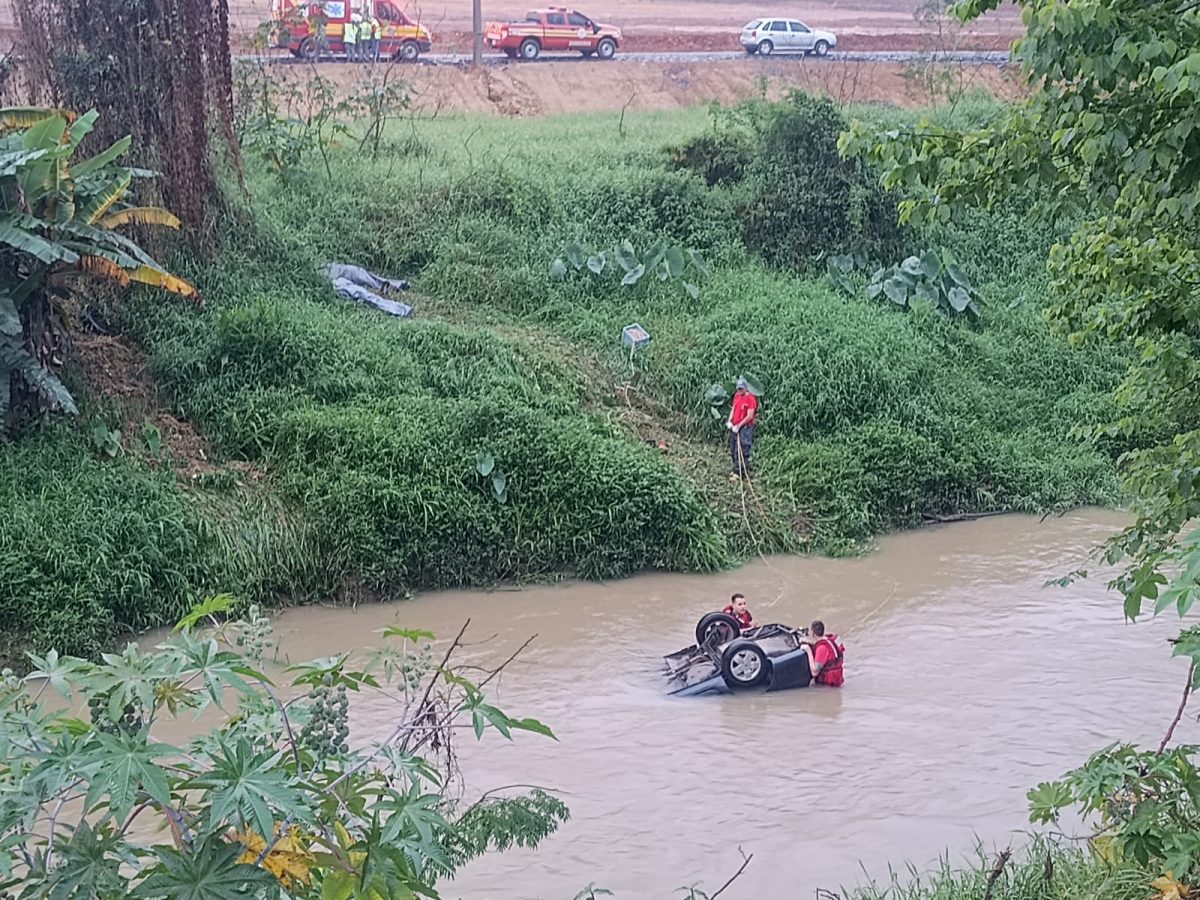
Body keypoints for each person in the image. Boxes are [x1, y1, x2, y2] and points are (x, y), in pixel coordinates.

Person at [727, 376, 758, 481]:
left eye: (741, 389)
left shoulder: (750, 399)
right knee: (733, 447)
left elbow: (749, 416)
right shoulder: (737, 396)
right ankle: (736, 468)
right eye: (738, 389)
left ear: (746, 388)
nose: (739, 391)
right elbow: (734, 409)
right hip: (735, 426)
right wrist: (730, 421)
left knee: (743, 448)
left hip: (745, 427)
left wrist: (739, 425)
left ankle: (741, 472)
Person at [802, 620, 845, 686]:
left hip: (829, 685)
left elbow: (814, 672)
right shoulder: (829, 640)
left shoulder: (821, 648)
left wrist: (808, 651)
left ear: (813, 633)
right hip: (837, 679)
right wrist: (809, 642)